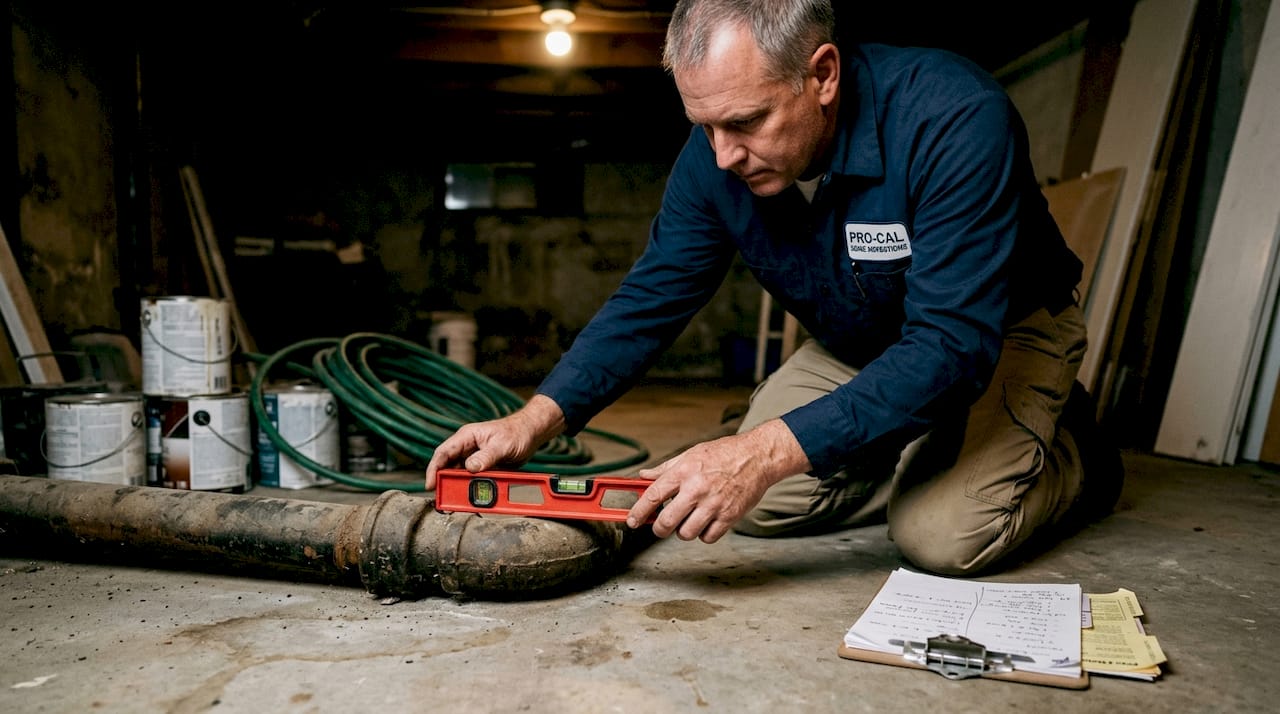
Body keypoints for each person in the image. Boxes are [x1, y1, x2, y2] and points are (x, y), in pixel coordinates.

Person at [426, 0, 1123, 576]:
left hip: (996, 334)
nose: (723, 155)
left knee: (942, 537)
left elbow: (950, 347)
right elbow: (650, 298)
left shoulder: (954, 117)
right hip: (862, 340)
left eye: (745, 123)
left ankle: (1072, 454)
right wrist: (532, 419)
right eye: (704, 127)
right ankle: (923, 448)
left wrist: (759, 452)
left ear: (821, 74)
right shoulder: (715, 157)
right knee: (745, 509)